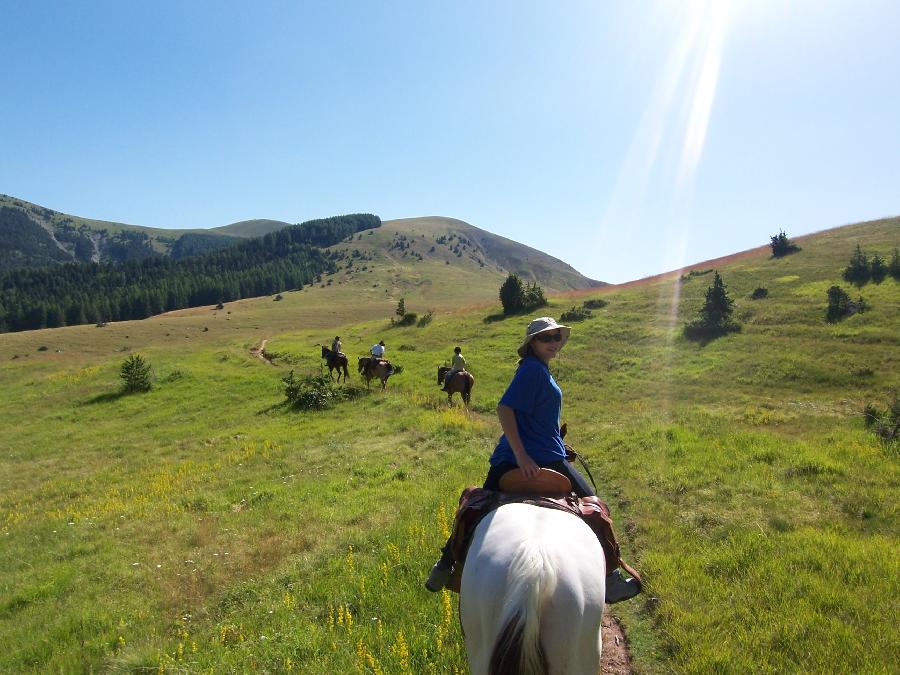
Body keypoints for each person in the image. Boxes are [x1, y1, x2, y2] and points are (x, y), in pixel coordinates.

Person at [425, 317, 641, 603]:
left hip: (539, 452)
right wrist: (523, 455)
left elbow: (536, 418)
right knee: (595, 504)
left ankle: (445, 565)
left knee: (477, 506)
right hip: (536, 457)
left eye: (556, 337)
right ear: (532, 343)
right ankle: (610, 580)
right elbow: (504, 409)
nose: (553, 342)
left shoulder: (539, 369)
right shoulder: (532, 371)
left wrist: (557, 445)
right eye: (545, 338)